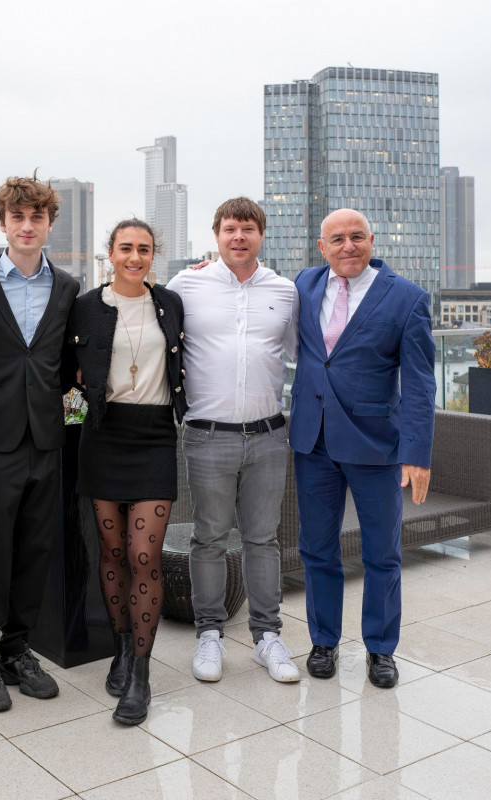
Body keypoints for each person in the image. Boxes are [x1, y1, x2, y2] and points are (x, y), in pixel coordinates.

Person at [290, 208, 436, 689]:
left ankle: (380, 650)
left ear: (372, 240)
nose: (347, 246)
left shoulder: (408, 298)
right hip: (313, 442)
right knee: (317, 550)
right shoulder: (305, 286)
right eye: (337, 239)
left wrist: (417, 452)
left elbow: (419, 383)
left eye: (357, 237)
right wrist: (206, 269)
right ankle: (324, 641)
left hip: (376, 446)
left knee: (382, 553)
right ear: (321, 246)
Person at [166, 197, 301, 684]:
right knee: (209, 539)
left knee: (264, 539)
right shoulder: (186, 284)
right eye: (229, 229)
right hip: (207, 437)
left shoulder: (285, 291)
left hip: (268, 435)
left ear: (261, 235)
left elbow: (303, 354)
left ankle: (267, 637)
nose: (238, 237)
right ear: (216, 235)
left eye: (247, 228)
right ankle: (210, 634)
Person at [0, 174, 80, 713]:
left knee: (36, 549)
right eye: (18, 218)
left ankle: (18, 650)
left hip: (48, 438)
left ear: (50, 223)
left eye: (37, 217)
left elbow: (71, 365)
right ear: (4, 223)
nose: (27, 226)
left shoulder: (69, 287)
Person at [66, 219, 186, 724]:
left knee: (143, 554)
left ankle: (141, 672)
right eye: (125, 248)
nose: (134, 257)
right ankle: (120, 647)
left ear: (153, 255)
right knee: (113, 553)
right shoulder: (87, 306)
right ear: (109, 254)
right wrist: (72, 421)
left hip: (156, 435)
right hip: (103, 435)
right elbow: (67, 376)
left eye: (144, 249)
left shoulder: (171, 303)